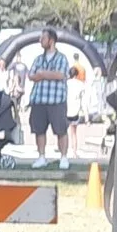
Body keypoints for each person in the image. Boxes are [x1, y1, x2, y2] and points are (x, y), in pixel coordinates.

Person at [25, 29, 72, 165]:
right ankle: (41, 157)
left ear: (51, 40)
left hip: (56, 100)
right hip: (39, 100)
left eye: (43, 38)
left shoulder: (61, 58)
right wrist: (46, 75)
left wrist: (43, 74)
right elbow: (32, 75)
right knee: (39, 130)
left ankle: (63, 157)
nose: (40, 40)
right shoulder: (38, 59)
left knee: (60, 129)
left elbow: (60, 75)